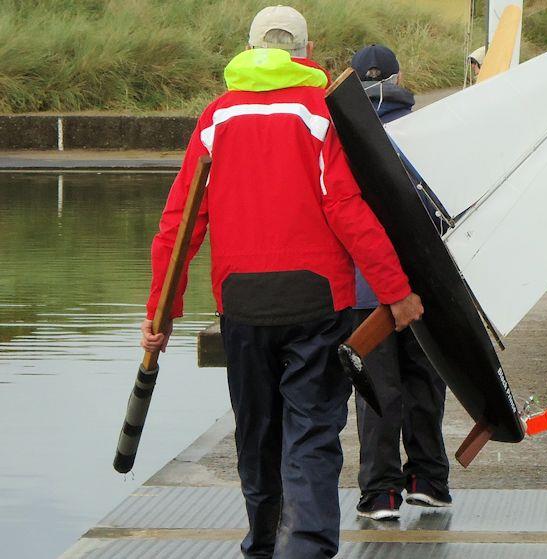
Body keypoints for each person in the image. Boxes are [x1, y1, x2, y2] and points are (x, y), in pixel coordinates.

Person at [139, 8, 423, 559]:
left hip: (242, 302)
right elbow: (345, 207)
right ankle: (306, 549)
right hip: (318, 301)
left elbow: (179, 224)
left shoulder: (216, 118)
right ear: (305, 49)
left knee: (257, 434)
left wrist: (162, 317)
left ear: (250, 49)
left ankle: (262, 546)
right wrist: (395, 289)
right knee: (312, 435)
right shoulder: (321, 113)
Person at [348, 44, 452, 521]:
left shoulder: (342, 138)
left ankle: (381, 494)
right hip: (424, 289)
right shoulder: (428, 133)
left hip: (364, 293)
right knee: (424, 386)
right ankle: (429, 481)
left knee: (376, 394)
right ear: (400, 78)